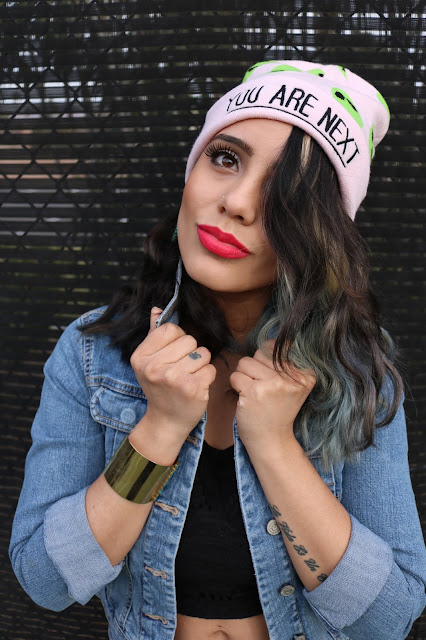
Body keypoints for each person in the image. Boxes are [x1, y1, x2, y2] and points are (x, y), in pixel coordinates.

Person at [9, 60, 426, 640]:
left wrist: (274, 443)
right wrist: (159, 428)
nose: (238, 202)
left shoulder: (357, 371)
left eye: (284, 192)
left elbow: (390, 617)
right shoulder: (93, 356)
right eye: (226, 158)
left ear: (320, 231)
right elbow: (45, 580)